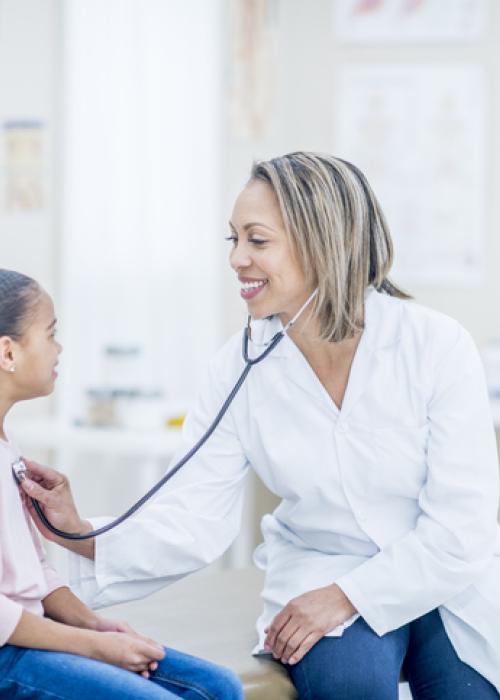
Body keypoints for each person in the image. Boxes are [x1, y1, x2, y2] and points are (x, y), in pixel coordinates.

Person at [22, 153, 500, 699]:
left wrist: (348, 595)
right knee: (348, 684)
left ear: (324, 243)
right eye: (233, 240)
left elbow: (462, 530)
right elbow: (196, 519)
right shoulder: (237, 367)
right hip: (321, 566)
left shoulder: (434, 344)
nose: (237, 259)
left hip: (441, 575)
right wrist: (79, 531)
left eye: (257, 240)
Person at [0, 269, 243, 700]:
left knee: (217, 688)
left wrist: (94, 623)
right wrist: (96, 646)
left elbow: (33, 571)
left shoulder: (8, 443)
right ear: (7, 352)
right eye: (51, 334)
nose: (59, 348)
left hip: (30, 635)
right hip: (7, 654)